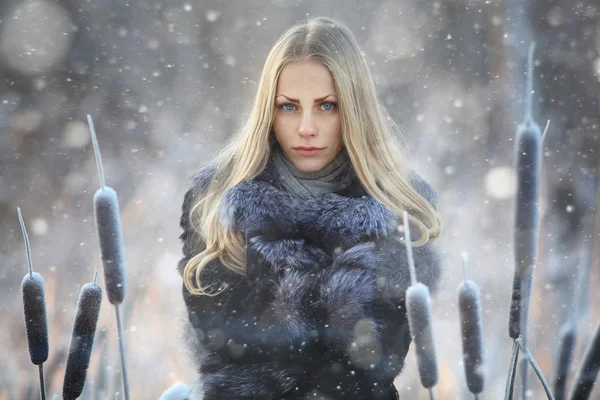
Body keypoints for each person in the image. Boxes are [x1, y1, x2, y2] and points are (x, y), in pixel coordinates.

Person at [177, 16, 443, 400]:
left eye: (326, 106)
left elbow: (372, 360)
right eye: (288, 107)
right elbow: (224, 343)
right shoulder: (216, 201)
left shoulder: (398, 206)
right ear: (269, 110)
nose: (306, 127)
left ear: (353, 108)